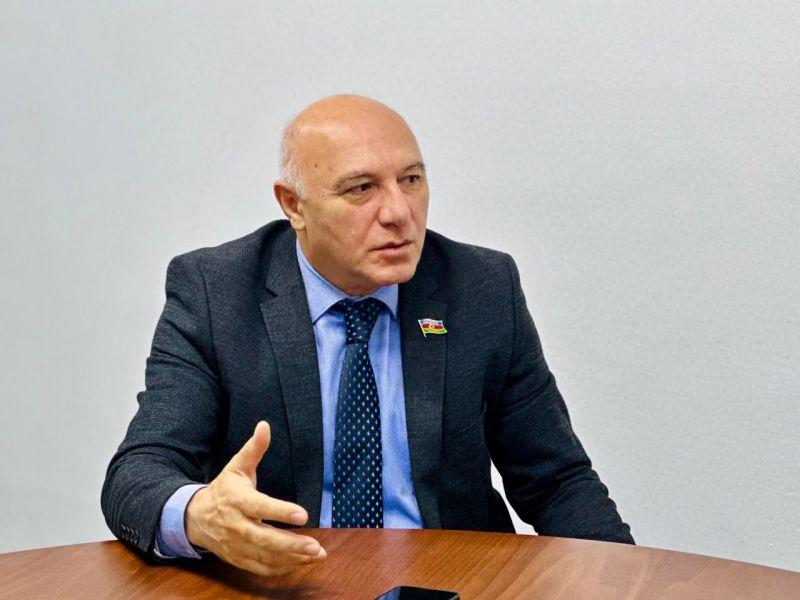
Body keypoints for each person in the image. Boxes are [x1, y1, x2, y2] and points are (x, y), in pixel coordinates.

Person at [101, 94, 634, 577]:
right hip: (282, 584)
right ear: (294, 205)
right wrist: (200, 515)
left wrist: (627, 581)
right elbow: (139, 472)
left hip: (448, 582)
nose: (399, 213)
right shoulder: (216, 292)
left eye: (412, 180)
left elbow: (556, 481)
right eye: (362, 189)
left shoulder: (481, 288)